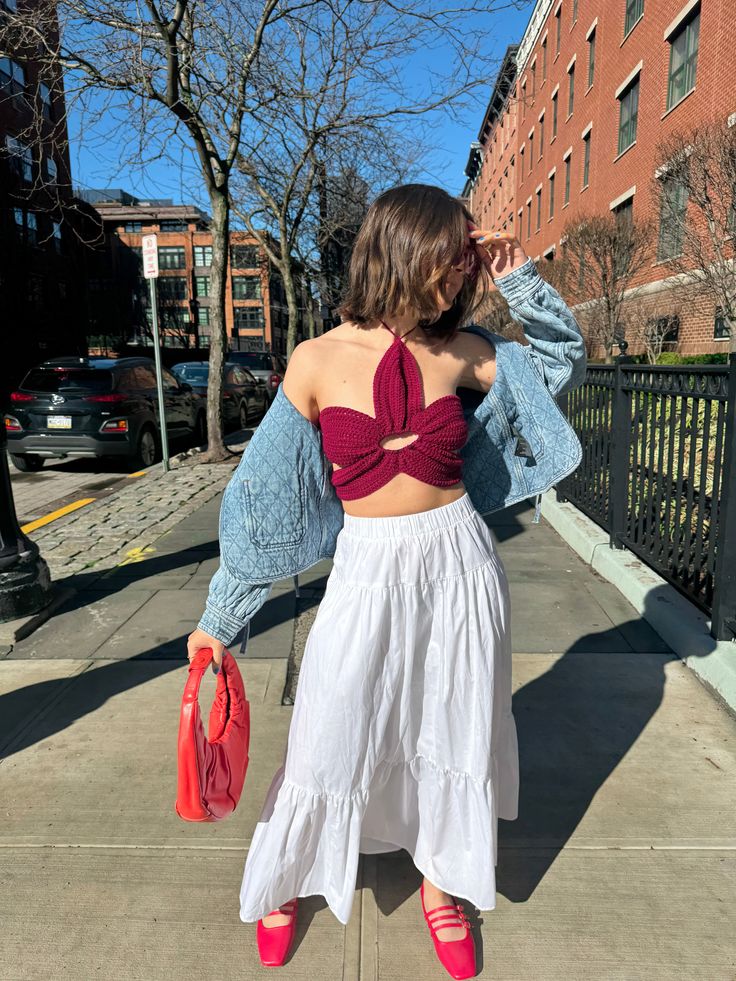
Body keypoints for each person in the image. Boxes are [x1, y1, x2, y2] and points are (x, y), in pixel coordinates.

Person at [187, 183, 585, 979]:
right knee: (329, 730)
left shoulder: (465, 349)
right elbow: (263, 503)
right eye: (445, 265)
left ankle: (444, 884)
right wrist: (220, 619)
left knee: (454, 726)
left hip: (459, 566)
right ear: (397, 255)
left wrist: (520, 278)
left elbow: (560, 363)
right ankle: (291, 872)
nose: (455, 283)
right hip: (365, 569)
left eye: (463, 268)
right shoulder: (315, 360)